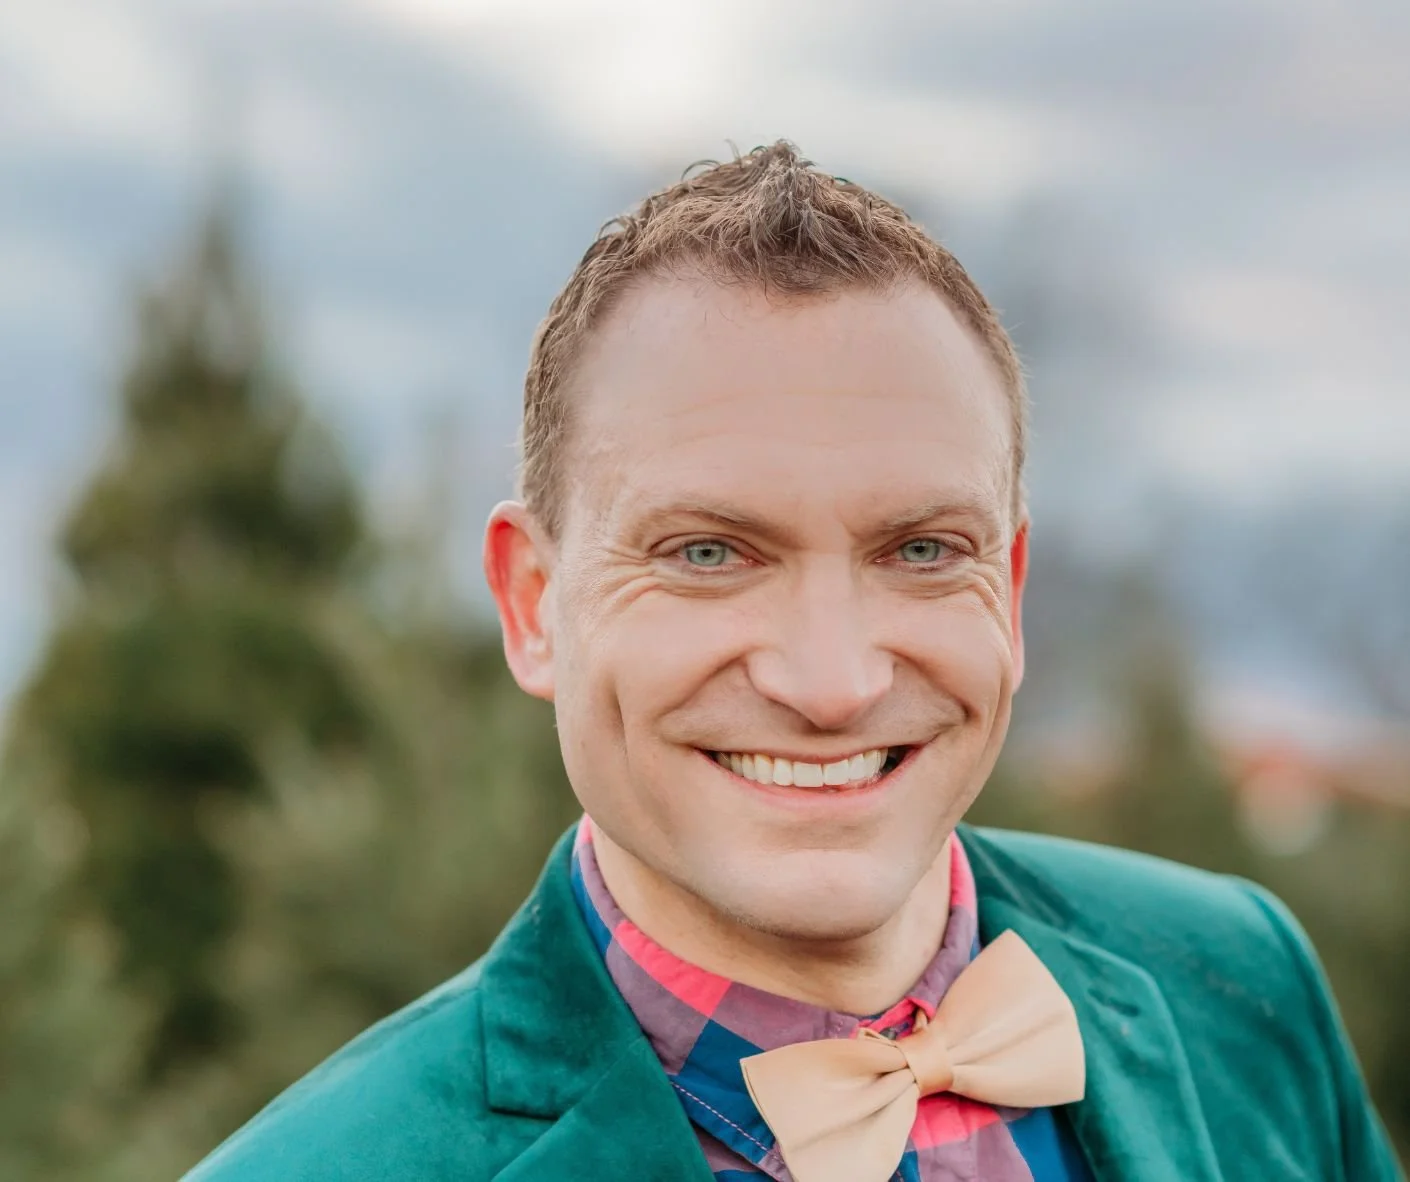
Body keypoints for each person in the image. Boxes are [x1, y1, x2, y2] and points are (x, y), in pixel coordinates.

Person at [186, 141, 1402, 1181]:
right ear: (535, 604)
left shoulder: (1243, 983)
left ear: (1013, 596)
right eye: (711, 551)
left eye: (923, 549)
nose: (832, 683)